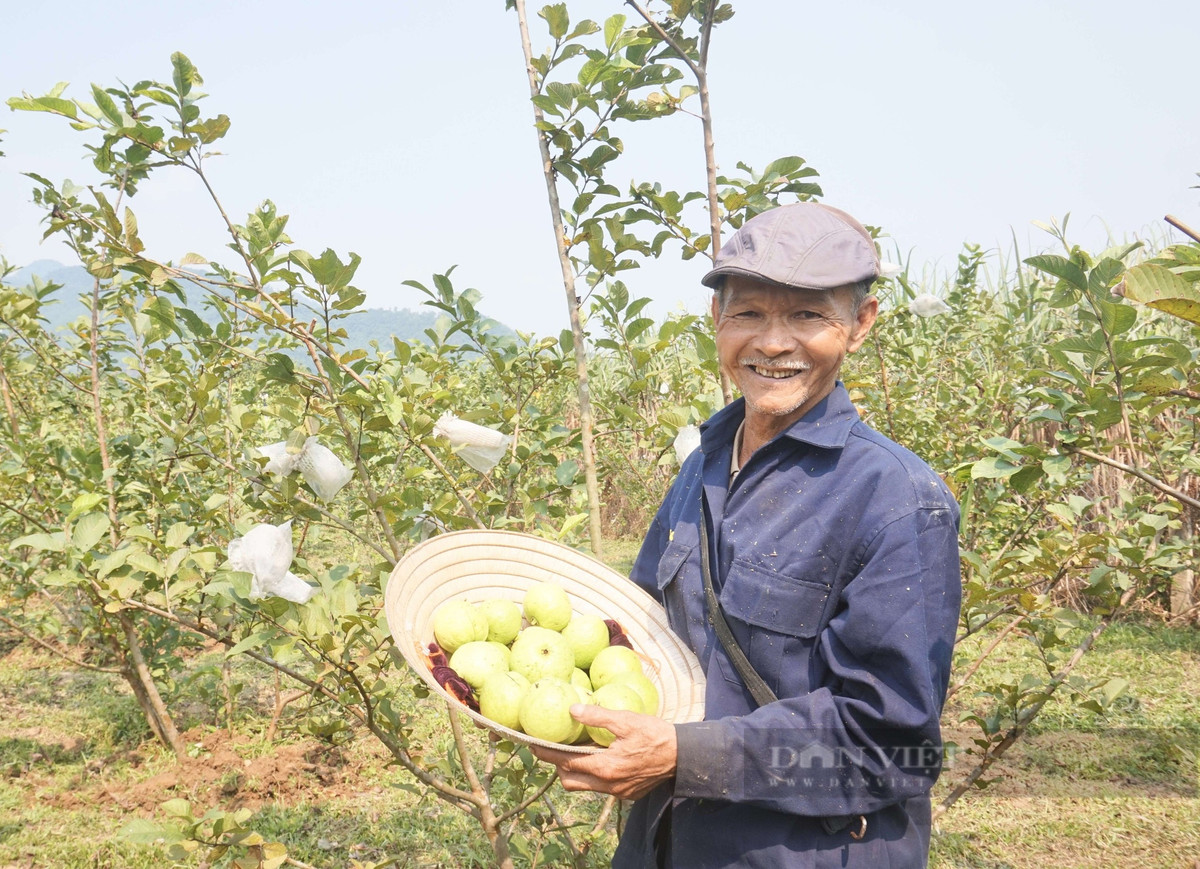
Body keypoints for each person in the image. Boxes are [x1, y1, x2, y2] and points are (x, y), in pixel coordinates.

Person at [532, 202, 962, 868]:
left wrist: (684, 754)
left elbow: (890, 746)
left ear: (860, 325)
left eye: (807, 316)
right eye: (750, 314)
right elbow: (642, 638)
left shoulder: (897, 500)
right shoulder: (703, 465)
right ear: (717, 322)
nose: (772, 342)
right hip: (664, 843)